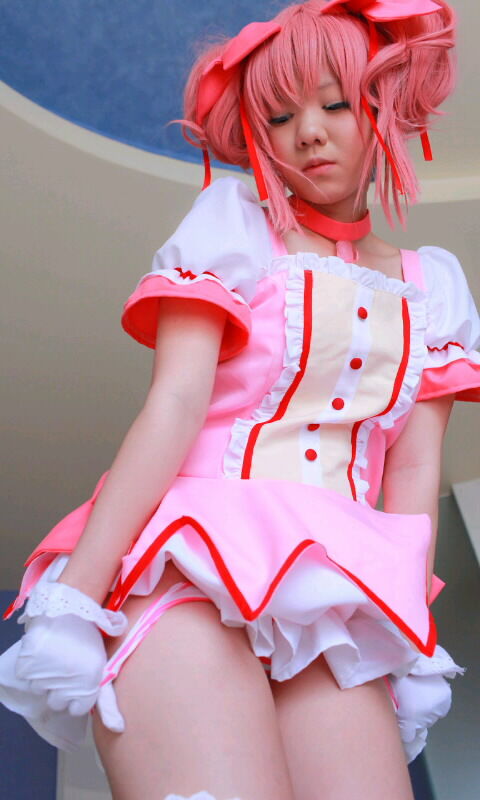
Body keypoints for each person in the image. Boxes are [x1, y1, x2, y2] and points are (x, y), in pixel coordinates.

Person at [0, 1, 479, 798]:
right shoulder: (233, 227)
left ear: (386, 107)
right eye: (281, 116)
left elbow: (412, 471)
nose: (309, 133)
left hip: (334, 603)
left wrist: (413, 637)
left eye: (335, 103)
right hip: (190, 567)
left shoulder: (437, 287)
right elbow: (175, 404)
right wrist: (75, 598)